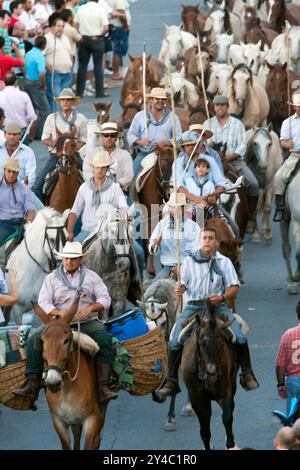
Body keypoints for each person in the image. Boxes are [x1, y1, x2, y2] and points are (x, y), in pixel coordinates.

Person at [12, 240, 118, 409]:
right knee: (33, 340)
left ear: (80, 259)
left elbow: (105, 299)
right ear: (62, 259)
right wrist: (59, 313)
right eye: (66, 258)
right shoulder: (52, 278)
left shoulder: (91, 277)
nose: (69, 261)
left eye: (73, 258)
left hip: (86, 322)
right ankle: (32, 385)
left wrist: (91, 307)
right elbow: (44, 301)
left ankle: (104, 385)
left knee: (105, 339)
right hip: (58, 325)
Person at [158, 227, 259, 398]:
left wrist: (222, 297)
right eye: (204, 238)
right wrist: (180, 288)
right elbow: (182, 285)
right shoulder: (188, 262)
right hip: (194, 306)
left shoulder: (224, 262)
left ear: (216, 242)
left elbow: (234, 287)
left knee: (240, 337)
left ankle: (247, 373)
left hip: (218, 307)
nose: (207, 241)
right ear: (200, 241)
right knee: (174, 340)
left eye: (210, 238)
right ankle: (171, 379)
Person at [67, 151, 144, 281]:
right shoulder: (84, 188)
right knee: (70, 254)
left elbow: (124, 207)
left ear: (107, 169)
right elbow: (75, 211)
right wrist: (69, 231)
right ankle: (68, 284)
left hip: (110, 232)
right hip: (88, 231)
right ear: (93, 168)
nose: (100, 170)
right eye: (97, 167)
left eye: (103, 167)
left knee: (139, 252)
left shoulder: (114, 188)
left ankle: (137, 283)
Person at [204, 95, 259, 234]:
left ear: (227, 107)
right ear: (213, 108)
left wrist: (229, 156)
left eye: (222, 105)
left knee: (253, 184)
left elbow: (242, 148)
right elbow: (202, 146)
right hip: (211, 162)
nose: (220, 108)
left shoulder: (237, 124)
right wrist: (208, 146)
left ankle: (251, 217)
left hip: (234, 160)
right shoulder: (207, 124)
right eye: (217, 105)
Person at [34, 88, 86, 201]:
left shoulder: (81, 118)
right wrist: (54, 143)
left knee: (92, 178)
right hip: (55, 156)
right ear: (60, 102)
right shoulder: (51, 118)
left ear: (72, 102)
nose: (65, 102)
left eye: (68, 100)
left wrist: (75, 147)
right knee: (38, 185)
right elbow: (44, 138)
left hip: (73, 156)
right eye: (63, 100)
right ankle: (41, 211)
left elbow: (84, 138)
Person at [127, 87, 182, 176]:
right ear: (151, 100)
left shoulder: (173, 117)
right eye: (157, 98)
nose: (160, 101)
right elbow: (130, 135)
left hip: (166, 154)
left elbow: (179, 138)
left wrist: (167, 142)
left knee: (178, 176)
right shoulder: (140, 116)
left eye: (163, 99)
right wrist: (140, 141)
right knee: (131, 176)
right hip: (145, 153)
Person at [149, 192, 201, 281]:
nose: (172, 210)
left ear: (183, 208)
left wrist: (182, 266)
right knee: (152, 291)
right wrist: (155, 244)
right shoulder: (161, 225)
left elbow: (197, 251)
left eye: (176, 207)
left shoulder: (194, 227)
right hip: (168, 269)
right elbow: (153, 251)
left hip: (188, 268)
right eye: (171, 207)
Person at [83, 121, 133, 193]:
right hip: (96, 191)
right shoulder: (92, 153)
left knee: (131, 204)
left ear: (116, 138)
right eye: (106, 135)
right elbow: (87, 172)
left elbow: (129, 175)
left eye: (112, 135)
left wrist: (117, 185)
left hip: (119, 191)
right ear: (101, 137)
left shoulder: (125, 155)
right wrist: (97, 184)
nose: (109, 138)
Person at [74, 0, 109, 98]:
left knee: (82, 66)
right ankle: (99, 91)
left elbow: (75, 24)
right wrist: (100, 34)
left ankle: (79, 92)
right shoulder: (100, 9)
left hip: (84, 38)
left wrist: (79, 34)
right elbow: (106, 28)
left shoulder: (81, 8)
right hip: (97, 38)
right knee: (98, 66)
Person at [273, 94, 300, 222]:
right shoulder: (287, 122)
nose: (299, 108)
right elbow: (282, 141)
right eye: (298, 106)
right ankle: (280, 207)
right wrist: (286, 144)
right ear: (294, 107)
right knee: (279, 177)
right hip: (295, 155)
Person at [0, 157, 35, 247]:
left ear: (18, 173)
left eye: (14, 172)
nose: (11, 174)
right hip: (2, 224)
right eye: (9, 171)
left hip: (20, 224)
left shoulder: (24, 189)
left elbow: (30, 208)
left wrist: (30, 219)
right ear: (4, 170)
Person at [182, 157, 227, 222]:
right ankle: (187, 222)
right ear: (195, 169)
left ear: (207, 170)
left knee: (217, 212)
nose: (201, 169)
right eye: (198, 166)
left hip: (206, 204)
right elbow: (188, 195)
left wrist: (210, 198)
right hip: (193, 203)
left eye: (203, 167)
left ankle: (223, 223)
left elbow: (211, 197)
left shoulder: (210, 184)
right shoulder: (189, 181)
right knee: (189, 212)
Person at [275, 300, 300, 414]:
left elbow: (280, 365)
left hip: (293, 381)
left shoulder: (288, 334)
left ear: (297, 316)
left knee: (292, 415)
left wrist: (281, 384)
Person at [44, 14, 73, 111]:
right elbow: (41, 56)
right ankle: (55, 123)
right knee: (56, 100)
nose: (60, 29)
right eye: (58, 26)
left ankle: (63, 122)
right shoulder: (47, 39)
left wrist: (71, 64)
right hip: (55, 74)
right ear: (52, 27)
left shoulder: (65, 37)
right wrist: (50, 69)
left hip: (67, 73)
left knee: (66, 100)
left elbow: (69, 52)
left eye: (62, 26)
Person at [24, 35, 49, 140]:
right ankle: (39, 133)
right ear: (44, 45)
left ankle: (31, 132)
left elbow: (23, 66)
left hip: (27, 81)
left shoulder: (28, 53)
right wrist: (43, 85)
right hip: (35, 84)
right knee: (44, 109)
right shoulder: (39, 55)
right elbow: (42, 73)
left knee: (32, 109)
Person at [0, 72, 37, 138]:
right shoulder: (24, 95)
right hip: (20, 133)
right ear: (16, 82)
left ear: (4, 82)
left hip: (3, 133)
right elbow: (32, 118)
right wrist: (31, 137)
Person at [0, 121, 36, 187]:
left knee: (37, 195)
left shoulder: (28, 152)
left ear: (20, 135)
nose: (12, 137)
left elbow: (31, 176)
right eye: (9, 134)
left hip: (21, 190)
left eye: (15, 134)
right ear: (5, 134)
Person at [106, 0, 130, 80]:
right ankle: (116, 73)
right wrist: (126, 26)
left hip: (115, 26)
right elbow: (122, 14)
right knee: (118, 51)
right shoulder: (120, 1)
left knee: (118, 50)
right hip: (120, 27)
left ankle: (118, 70)